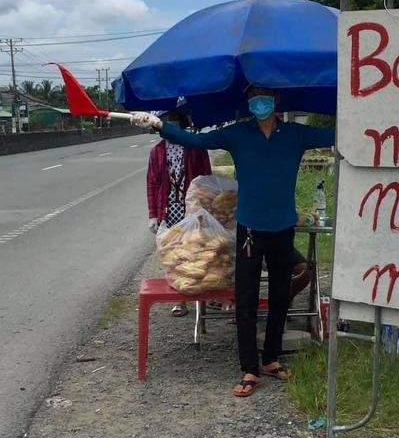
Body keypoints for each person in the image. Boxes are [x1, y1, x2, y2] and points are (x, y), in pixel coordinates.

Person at [133, 86, 334, 398]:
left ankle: (270, 360)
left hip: (282, 229)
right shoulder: (237, 134)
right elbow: (195, 140)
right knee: (246, 300)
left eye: (264, 96)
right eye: (253, 97)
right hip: (250, 231)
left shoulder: (297, 134)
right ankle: (249, 368)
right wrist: (158, 125)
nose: (259, 102)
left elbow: (337, 134)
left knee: (281, 297)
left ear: (276, 100)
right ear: (248, 102)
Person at [146, 109, 212, 316]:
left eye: (173, 120)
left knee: (197, 251)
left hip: (194, 208)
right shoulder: (157, 151)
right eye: (164, 121)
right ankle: (181, 299)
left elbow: (206, 178)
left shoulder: (195, 148)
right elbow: (152, 183)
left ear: (182, 122)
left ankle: (203, 293)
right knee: (174, 254)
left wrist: (206, 207)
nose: (168, 124)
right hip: (169, 209)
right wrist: (153, 215)